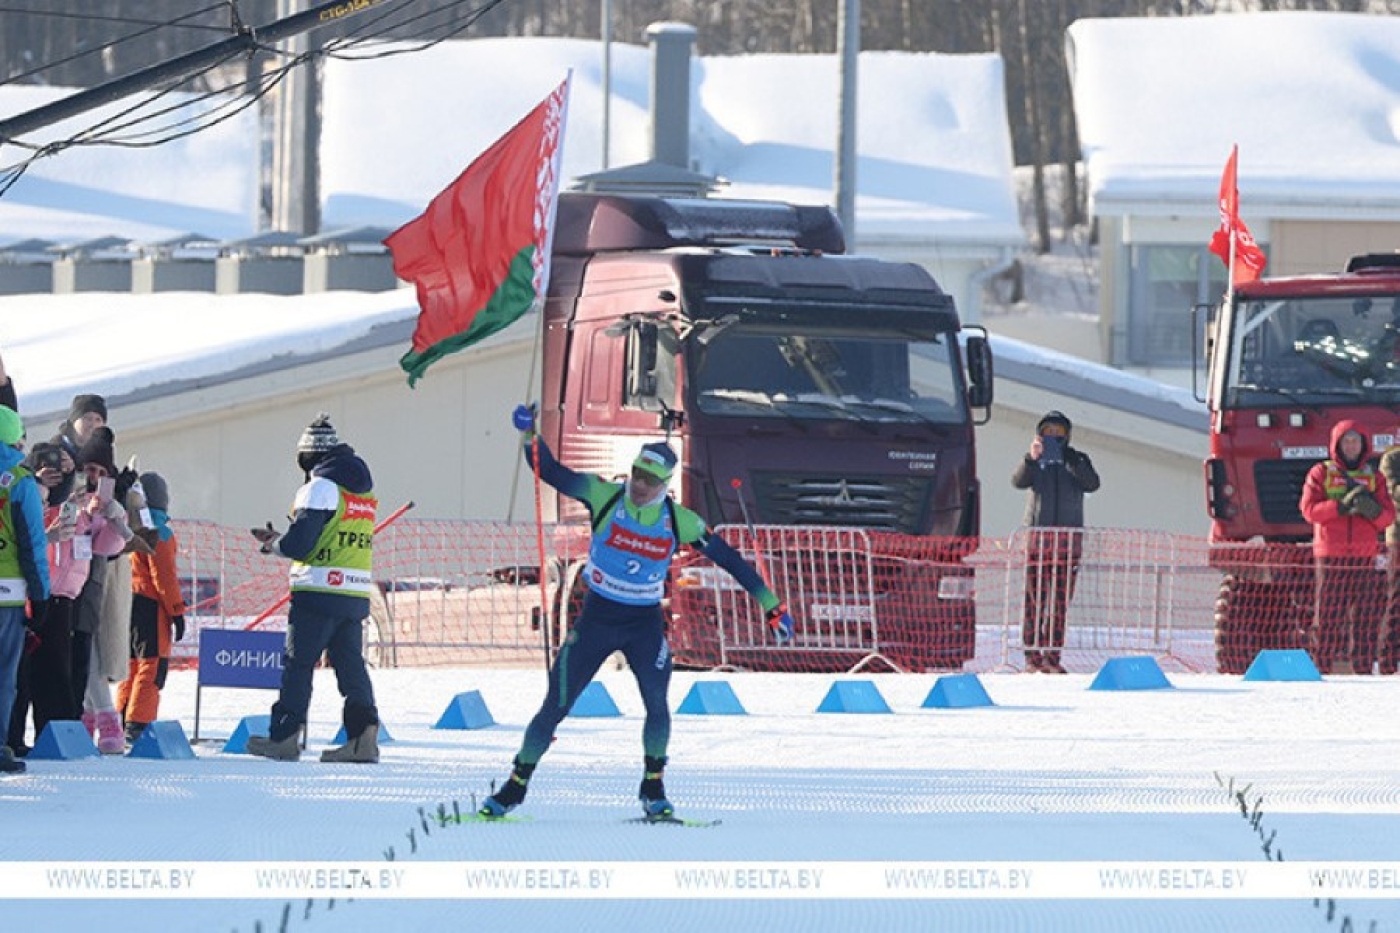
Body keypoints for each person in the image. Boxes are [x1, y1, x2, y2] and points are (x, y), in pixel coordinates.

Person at [478, 404, 795, 820]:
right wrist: (529, 434)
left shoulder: (679, 520)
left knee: (657, 705)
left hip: (643, 625)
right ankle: (514, 788)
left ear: (665, 484)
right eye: (637, 475)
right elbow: (551, 472)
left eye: (650, 480)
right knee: (555, 704)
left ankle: (653, 789)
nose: (640, 486)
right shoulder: (605, 495)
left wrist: (772, 607)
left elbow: (730, 560)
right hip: (596, 618)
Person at [247, 413, 381, 764]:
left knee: (298, 664)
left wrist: (276, 544)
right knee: (351, 668)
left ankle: (284, 738)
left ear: (307, 455)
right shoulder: (361, 491)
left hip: (318, 591)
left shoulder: (320, 486)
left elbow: (301, 545)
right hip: (354, 591)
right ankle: (363, 739)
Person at [1299, 420, 1393, 674]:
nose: (1351, 446)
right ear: (1336, 445)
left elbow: (1387, 517)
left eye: (1356, 441)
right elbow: (1309, 510)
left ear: (1364, 445)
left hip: (1365, 558)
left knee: (1366, 618)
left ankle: (1363, 669)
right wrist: (1339, 507)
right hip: (1331, 557)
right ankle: (1321, 668)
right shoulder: (1321, 473)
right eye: (1346, 441)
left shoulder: (1375, 477)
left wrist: (1372, 511)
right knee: (1327, 617)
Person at [1011, 411, 1100, 674]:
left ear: (1067, 435)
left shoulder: (1077, 459)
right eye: (1048, 431)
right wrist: (1031, 458)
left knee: (1059, 603)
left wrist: (1075, 463)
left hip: (1067, 546)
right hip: (1037, 544)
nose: (1053, 436)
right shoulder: (1035, 461)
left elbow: (1092, 484)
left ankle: (1052, 655)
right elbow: (1018, 481)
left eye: (1058, 432)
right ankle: (1032, 656)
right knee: (1034, 601)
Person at [116, 472, 187, 744]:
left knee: (132, 664)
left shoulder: (129, 524)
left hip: (129, 601)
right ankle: (139, 723)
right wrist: (177, 611)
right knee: (152, 665)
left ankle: (121, 716)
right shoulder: (161, 532)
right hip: (151, 605)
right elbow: (164, 577)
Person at [0, 405, 52, 774]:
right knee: (4, 674)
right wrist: (41, 595)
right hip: (7, 595)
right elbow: (33, 544)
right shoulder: (20, 481)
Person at [1380, 443, 1400, 674]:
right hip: (1398, 539)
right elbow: (1392, 492)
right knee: (1396, 602)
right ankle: (1388, 661)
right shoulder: (1392, 459)